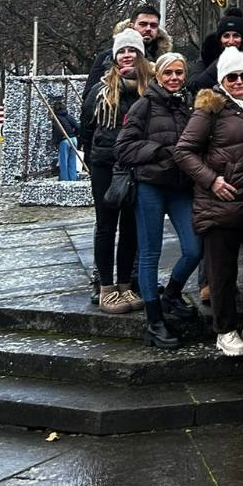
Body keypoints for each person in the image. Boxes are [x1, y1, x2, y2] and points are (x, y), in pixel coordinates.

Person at [174, 48, 243, 358]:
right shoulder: (210, 108)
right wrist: (212, 180)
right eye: (232, 76)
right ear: (222, 78)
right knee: (222, 271)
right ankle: (226, 329)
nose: (240, 81)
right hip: (221, 202)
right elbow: (184, 151)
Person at [117, 52, 202, 350]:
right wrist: (160, 151)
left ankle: (172, 293)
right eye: (169, 73)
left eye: (179, 72)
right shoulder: (145, 104)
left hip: (179, 188)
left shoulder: (187, 105)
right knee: (150, 252)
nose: (175, 78)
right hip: (151, 186)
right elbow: (124, 147)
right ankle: (154, 320)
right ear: (158, 76)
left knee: (194, 248)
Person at [80, 31, 151, 313]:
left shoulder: (149, 91)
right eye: (122, 51)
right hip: (106, 165)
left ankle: (125, 284)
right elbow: (86, 126)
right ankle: (106, 287)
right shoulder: (100, 90)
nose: (127, 55)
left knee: (131, 227)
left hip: (137, 167)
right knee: (106, 226)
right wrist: (93, 156)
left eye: (133, 51)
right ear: (114, 57)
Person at [82, 4, 171, 112]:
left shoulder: (164, 60)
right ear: (132, 26)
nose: (148, 29)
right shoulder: (107, 58)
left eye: (153, 25)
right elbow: (89, 98)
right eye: (143, 24)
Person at [188, 7, 243, 94]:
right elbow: (194, 86)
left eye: (236, 36)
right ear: (220, 39)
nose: (231, 41)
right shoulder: (205, 60)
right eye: (226, 36)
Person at [49, 93, 82, 181]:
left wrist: (55, 142)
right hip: (73, 139)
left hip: (65, 140)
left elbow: (57, 132)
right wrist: (75, 134)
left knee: (63, 162)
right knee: (72, 160)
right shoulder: (68, 116)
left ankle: (65, 180)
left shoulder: (56, 118)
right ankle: (73, 179)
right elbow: (78, 126)